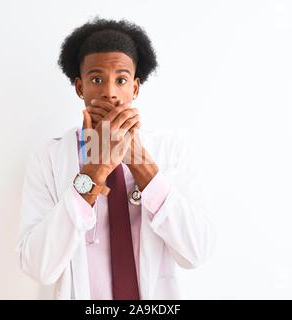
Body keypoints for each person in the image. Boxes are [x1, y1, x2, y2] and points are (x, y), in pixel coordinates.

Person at [15, 17, 216, 300]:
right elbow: (38, 266)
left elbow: (197, 252)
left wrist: (140, 163)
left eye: (121, 79)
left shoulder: (172, 151)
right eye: (96, 79)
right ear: (79, 87)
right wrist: (92, 174)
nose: (110, 92)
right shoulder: (48, 159)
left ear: (134, 88)